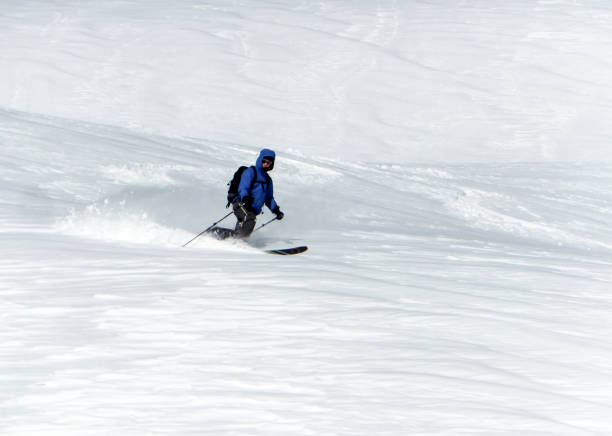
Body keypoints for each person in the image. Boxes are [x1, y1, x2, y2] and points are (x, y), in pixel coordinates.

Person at [232, 148, 284, 238]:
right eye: (264, 161)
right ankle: (238, 241)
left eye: (269, 163)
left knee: (247, 222)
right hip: (241, 203)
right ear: (260, 160)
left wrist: (276, 210)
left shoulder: (268, 180)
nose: (266, 164)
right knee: (249, 218)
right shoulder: (251, 172)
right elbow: (243, 187)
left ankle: (234, 241)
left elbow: (269, 198)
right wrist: (245, 197)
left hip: (252, 209)